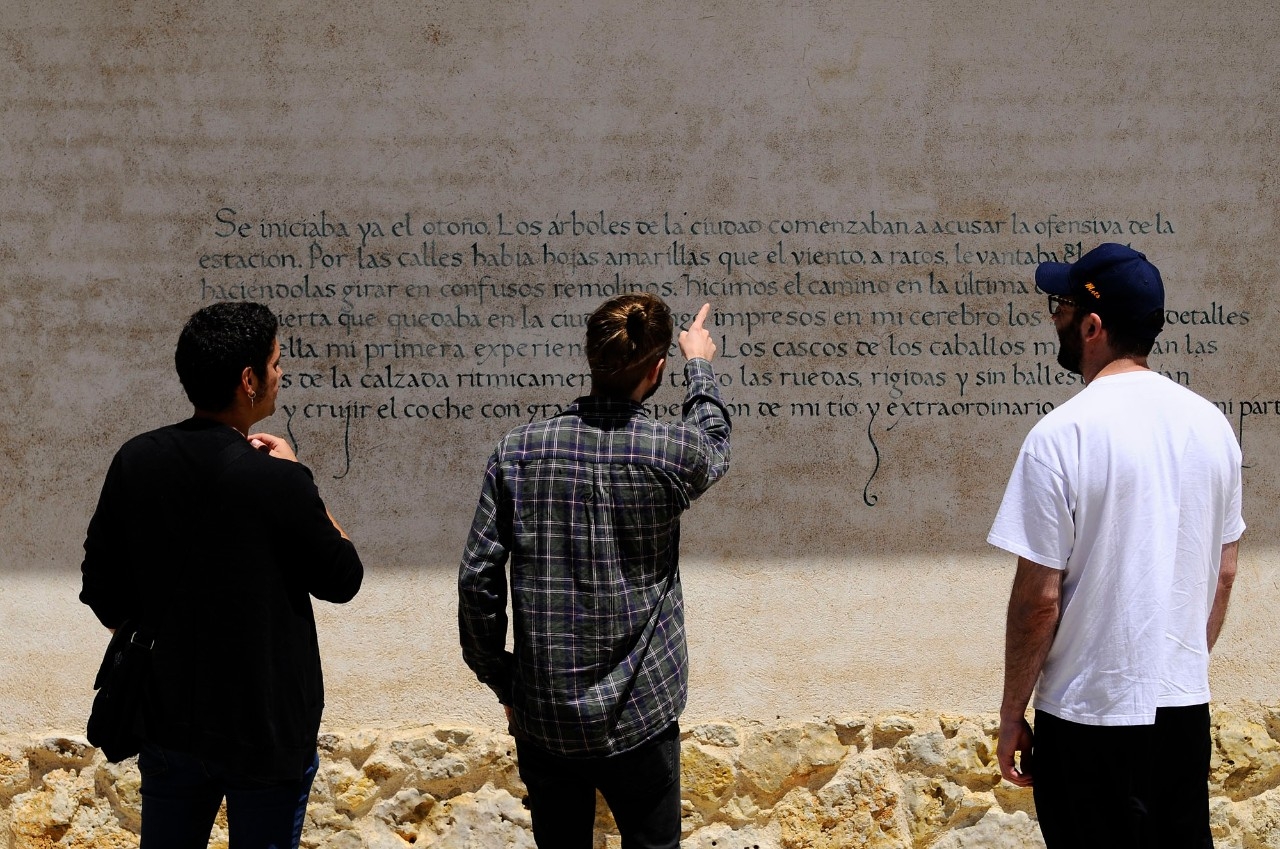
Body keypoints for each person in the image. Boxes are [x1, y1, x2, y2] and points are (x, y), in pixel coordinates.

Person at [80, 301, 363, 849]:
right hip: (265, 727)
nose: (282, 375)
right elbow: (343, 576)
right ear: (249, 379)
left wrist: (161, 645)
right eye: (277, 363)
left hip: (168, 721)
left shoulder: (137, 459)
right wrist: (297, 473)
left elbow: (101, 584)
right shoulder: (278, 479)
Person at [990, 243, 1244, 848]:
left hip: (1087, 715)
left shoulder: (1061, 435)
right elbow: (1224, 572)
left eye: (1062, 306)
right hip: (1182, 714)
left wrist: (1010, 713)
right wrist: (1178, 666)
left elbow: (1039, 602)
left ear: (1093, 325)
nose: (1054, 317)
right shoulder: (1213, 426)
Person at [458, 294, 730, 848]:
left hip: (546, 710)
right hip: (642, 708)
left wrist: (500, 675)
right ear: (657, 370)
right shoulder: (669, 452)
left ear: (592, 359)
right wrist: (698, 365)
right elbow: (715, 442)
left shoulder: (518, 452)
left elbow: (478, 576)